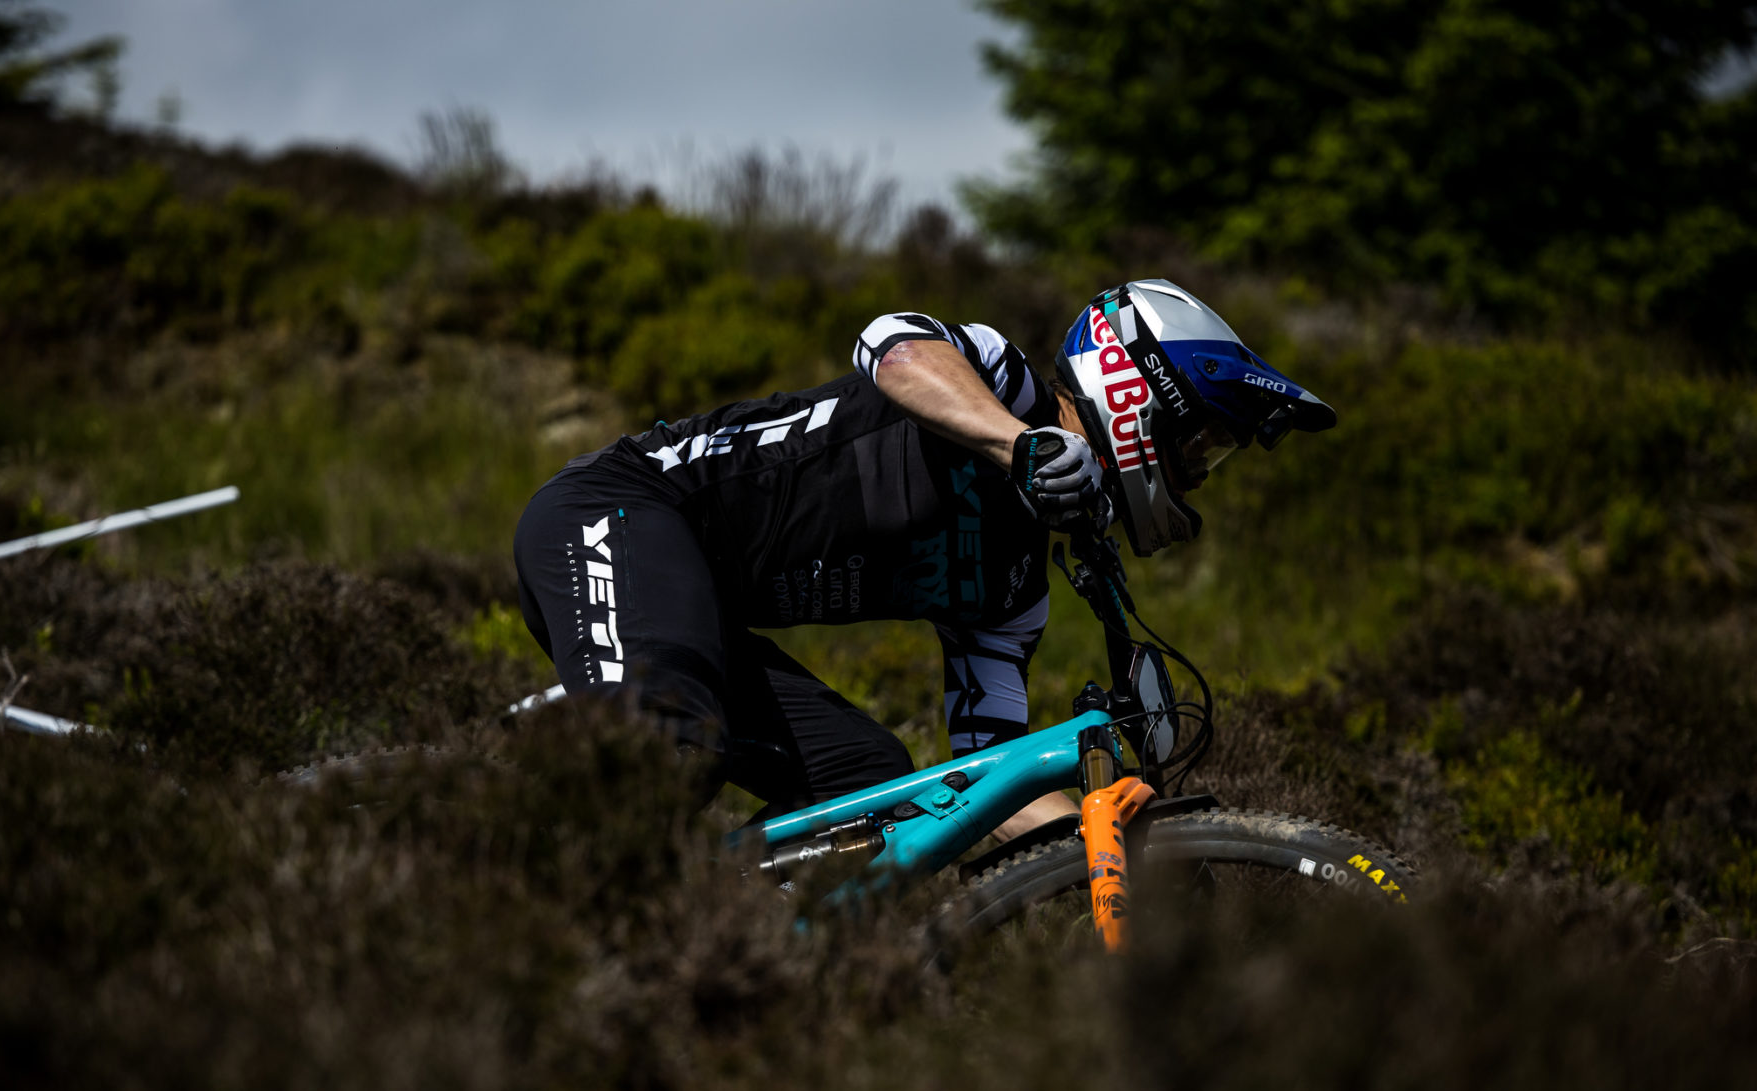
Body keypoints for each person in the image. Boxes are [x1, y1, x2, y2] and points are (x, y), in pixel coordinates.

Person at [513, 279, 1336, 838]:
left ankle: (724, 946)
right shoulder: (1001, 383)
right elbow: (890, 345)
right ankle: (503, 926)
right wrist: (1019, 444)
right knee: (674, 748)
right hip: (618, 511)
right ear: (1136, 397)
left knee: (870, 782)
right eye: (1199, 445)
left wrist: (1106, 835)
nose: (1196, 472)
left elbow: (987, 777)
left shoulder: (1014, 592)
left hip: (698, 607)